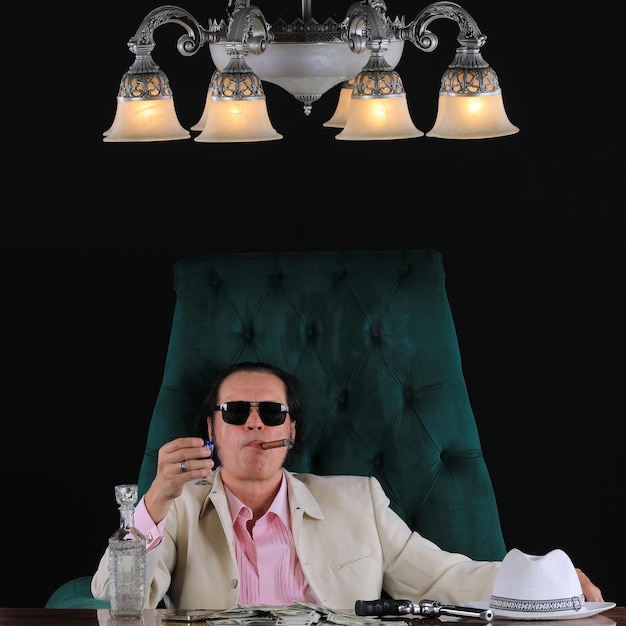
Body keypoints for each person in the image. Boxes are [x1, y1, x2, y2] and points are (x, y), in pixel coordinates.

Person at [92, 361, 603, 610]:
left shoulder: (360, 500)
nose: (254, 425)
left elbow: (443, 578)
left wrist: (546, 583)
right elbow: (117, 601)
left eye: (272, 413)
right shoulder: (175, 509)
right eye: (235, 412)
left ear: (291, 432)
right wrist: (154, 502)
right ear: (211, 429)